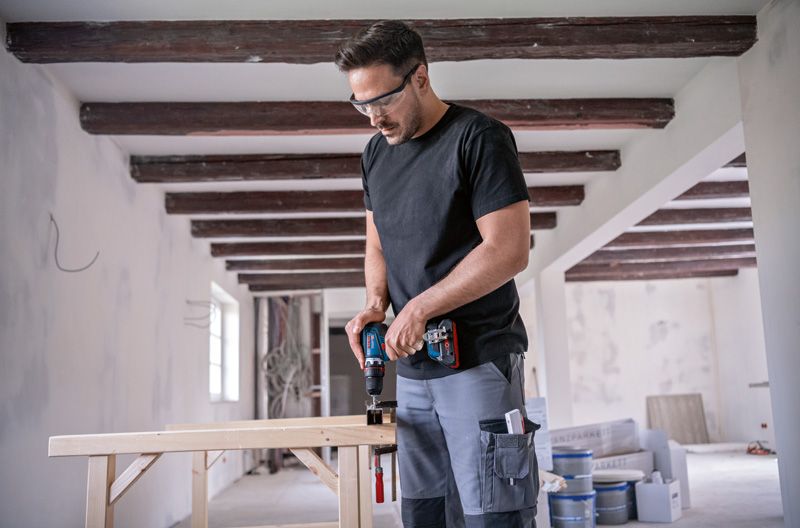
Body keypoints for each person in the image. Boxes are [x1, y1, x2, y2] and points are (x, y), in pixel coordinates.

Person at [336, 20, 539, 528]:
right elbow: (377, 240)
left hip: (476, 359)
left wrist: (421, 306)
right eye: (360, 104)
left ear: (420, 77)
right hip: (414, 370)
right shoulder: (375, 155)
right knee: (424, 513)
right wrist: (374, 305)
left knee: (494, 514)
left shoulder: (478, 138)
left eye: (382, 99)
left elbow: (509, 249)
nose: (373, 117)